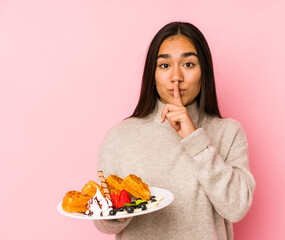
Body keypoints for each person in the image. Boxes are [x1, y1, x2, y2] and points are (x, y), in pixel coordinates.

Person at [94, 21, 255, 240]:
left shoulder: (229, 132)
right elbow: (105, 223)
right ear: (152, 74)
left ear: (204, 72)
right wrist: (115, 214)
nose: (176, 77)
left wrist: (194, 139)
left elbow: (236, 208)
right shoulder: (119, 137)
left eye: (188, 64)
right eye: (165, 65)